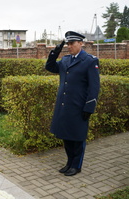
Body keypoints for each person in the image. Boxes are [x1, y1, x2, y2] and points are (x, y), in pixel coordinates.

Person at [45, 31, 100, 176]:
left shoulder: (90, 61)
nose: (69, 46)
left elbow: (94, 87)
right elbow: (50, 67)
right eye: (67, 44)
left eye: (72, 43)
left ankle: (76, 165)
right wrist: (55, 52)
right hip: (64, 105)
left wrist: (89, 106)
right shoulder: (65, 60)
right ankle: (69, 163)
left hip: (79, 106)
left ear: (81, 43)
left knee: (77, 137)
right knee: (66, 136)